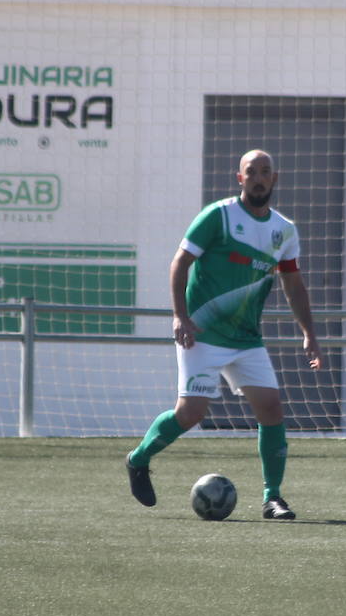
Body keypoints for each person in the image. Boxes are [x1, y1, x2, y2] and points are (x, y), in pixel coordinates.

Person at [126, 149, 321, 520]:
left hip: (246, 339)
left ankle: (273, 497)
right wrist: (180, 317)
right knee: (191, 413)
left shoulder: (284, 230)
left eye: (266, 172)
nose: (259, 178)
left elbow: (293, 283)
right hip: (201, 332)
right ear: (240, 178)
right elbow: (180, 263)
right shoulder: (219, 216)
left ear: (274, 179)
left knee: (271, 408)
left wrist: (308, 332)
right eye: (252, 172)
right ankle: (138, 460)